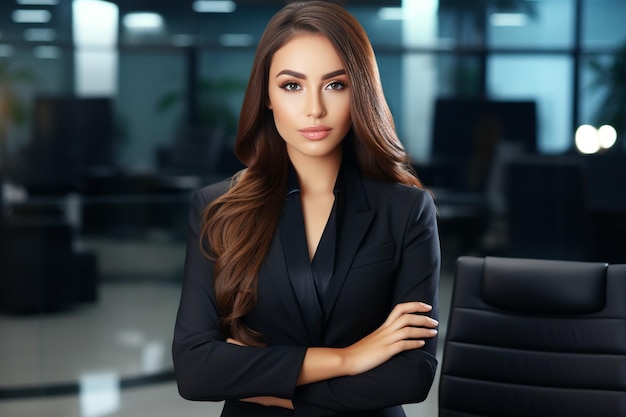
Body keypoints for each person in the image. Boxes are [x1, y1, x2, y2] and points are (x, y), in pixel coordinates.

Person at [172, 1, 441, 416]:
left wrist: (270, 386)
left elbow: (412, 374)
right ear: (266, 95)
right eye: (292, 86)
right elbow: (195, 369)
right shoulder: (217, 209)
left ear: (360, 91)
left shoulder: (406, 210)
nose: (314, 108)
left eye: (335, 84)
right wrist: (349, 359)